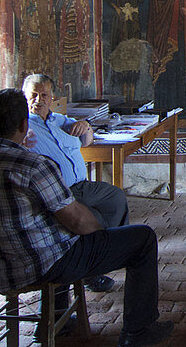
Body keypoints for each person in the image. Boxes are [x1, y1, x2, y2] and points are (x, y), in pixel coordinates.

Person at [0, 88, 173, 347]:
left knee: (53, 234)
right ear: (24, 125)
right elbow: (79, 222)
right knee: (142, 239)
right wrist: (102, 238)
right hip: (41, 266)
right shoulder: (33, 165)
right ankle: (138, 332)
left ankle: (60, 317)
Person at [22, 74, 130, 292]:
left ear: (52, 98)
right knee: (92, 221)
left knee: (116, 198)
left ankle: (110, 252)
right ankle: (94, 271)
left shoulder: (60, 120)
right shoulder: (23, 128)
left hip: (83, 185)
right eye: (33, 95)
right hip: (59, 192)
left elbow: (87, 140)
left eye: (44, 95)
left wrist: (86, 126)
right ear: (24, 96)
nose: (38, 100)